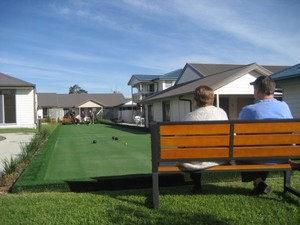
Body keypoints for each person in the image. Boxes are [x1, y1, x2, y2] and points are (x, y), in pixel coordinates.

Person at [238, 75, 293, 195]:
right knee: (262, 150)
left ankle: (258, 182)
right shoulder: (284, 106)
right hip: (282, 155)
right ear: (273, 90)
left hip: (258, 156)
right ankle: (259, 183)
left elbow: (240, 136)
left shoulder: (248, 110)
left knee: (241, 152)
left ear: (257, 91)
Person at [179, 85, 228, 193]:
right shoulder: (221, 113)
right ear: (212, 98)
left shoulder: (189, 117)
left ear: (196, 100)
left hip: (195, 160)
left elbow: (180, 141)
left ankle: (197, 185)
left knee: (190, 152)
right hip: (220, 157)